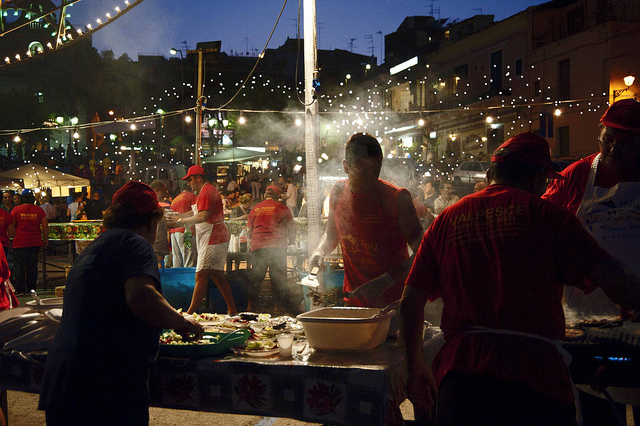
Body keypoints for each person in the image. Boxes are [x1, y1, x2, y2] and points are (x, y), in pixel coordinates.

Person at [399, 131, 640, 425]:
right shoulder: (549, 217)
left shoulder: (446, 220)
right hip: (535, 379)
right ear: (539, 177)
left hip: (460, 380)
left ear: (490, 174)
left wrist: (415, 366)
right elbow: (615, 279)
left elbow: (410, 300)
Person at [39, 181, 204, 425]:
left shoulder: (93, 248)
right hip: (104, 383)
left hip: (62, 379)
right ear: (151, 222)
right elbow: (140, 297)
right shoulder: (134, 243)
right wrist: (181, 322)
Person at [543, 98, 640, 425]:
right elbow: (541, 221)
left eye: (625, 142)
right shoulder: (577, 174)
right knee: (596, 410)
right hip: (585, 321)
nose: (613, 148)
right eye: (608, 138)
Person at [309, 132, 423, 307]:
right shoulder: (338, 192)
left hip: (393, 303)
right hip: (353, 300)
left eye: (376, 169)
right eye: (363, 170)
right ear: (346, 167)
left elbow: (423, 252)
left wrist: (387, 280)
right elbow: (331, 235)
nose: (371, 176)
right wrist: (319, 251)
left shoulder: (397, 198)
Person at [168, 165, 238, 315]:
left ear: (198, 178)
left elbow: (202, 216)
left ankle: (191, 312)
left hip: (214, 237)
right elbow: (195, 212)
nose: (189, 183)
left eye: (191, 179)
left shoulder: (206, 191)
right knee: (217, 275)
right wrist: (178, 216)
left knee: (201, 274)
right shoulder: (204, 192)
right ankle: (232, 310)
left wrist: (180, 221)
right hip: (213, 237)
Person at [247, 185, 297, 313]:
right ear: (276, 195)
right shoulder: (282, 208)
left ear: (265, 195)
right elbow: (291, 228)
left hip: (258, 246)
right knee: (278, 278)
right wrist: (291, 240)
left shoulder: (255, 208)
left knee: (256, 278)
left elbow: (249, 230)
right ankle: (278, 307)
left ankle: (251, 306)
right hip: (277, 247)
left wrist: (251, 243)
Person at [11, 191, 47, 294]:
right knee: (32, 266)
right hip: (35, 241)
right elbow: (44, 225)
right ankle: (32, 289)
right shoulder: (39, 210)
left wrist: (12, 236)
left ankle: (20, 289)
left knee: (19, 266)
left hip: (19, 241)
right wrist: (45, 239)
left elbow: (12, 224)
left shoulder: (16, 209)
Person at [169, 188, 197, 268]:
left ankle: (177, 279)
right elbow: (195, 212)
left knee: (177, 258)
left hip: (174, 234)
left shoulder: (174, 200)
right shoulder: (193, 197)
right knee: (188, 258)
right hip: (186, 233)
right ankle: (188, 279)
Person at [150, 181, 170, 267]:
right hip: (155, 243)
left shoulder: (160, 205)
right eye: (164, 192)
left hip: (159, 242)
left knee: (159, 264)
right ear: (157, 191)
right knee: (156, 265)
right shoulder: (151, 204)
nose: (165, 195)